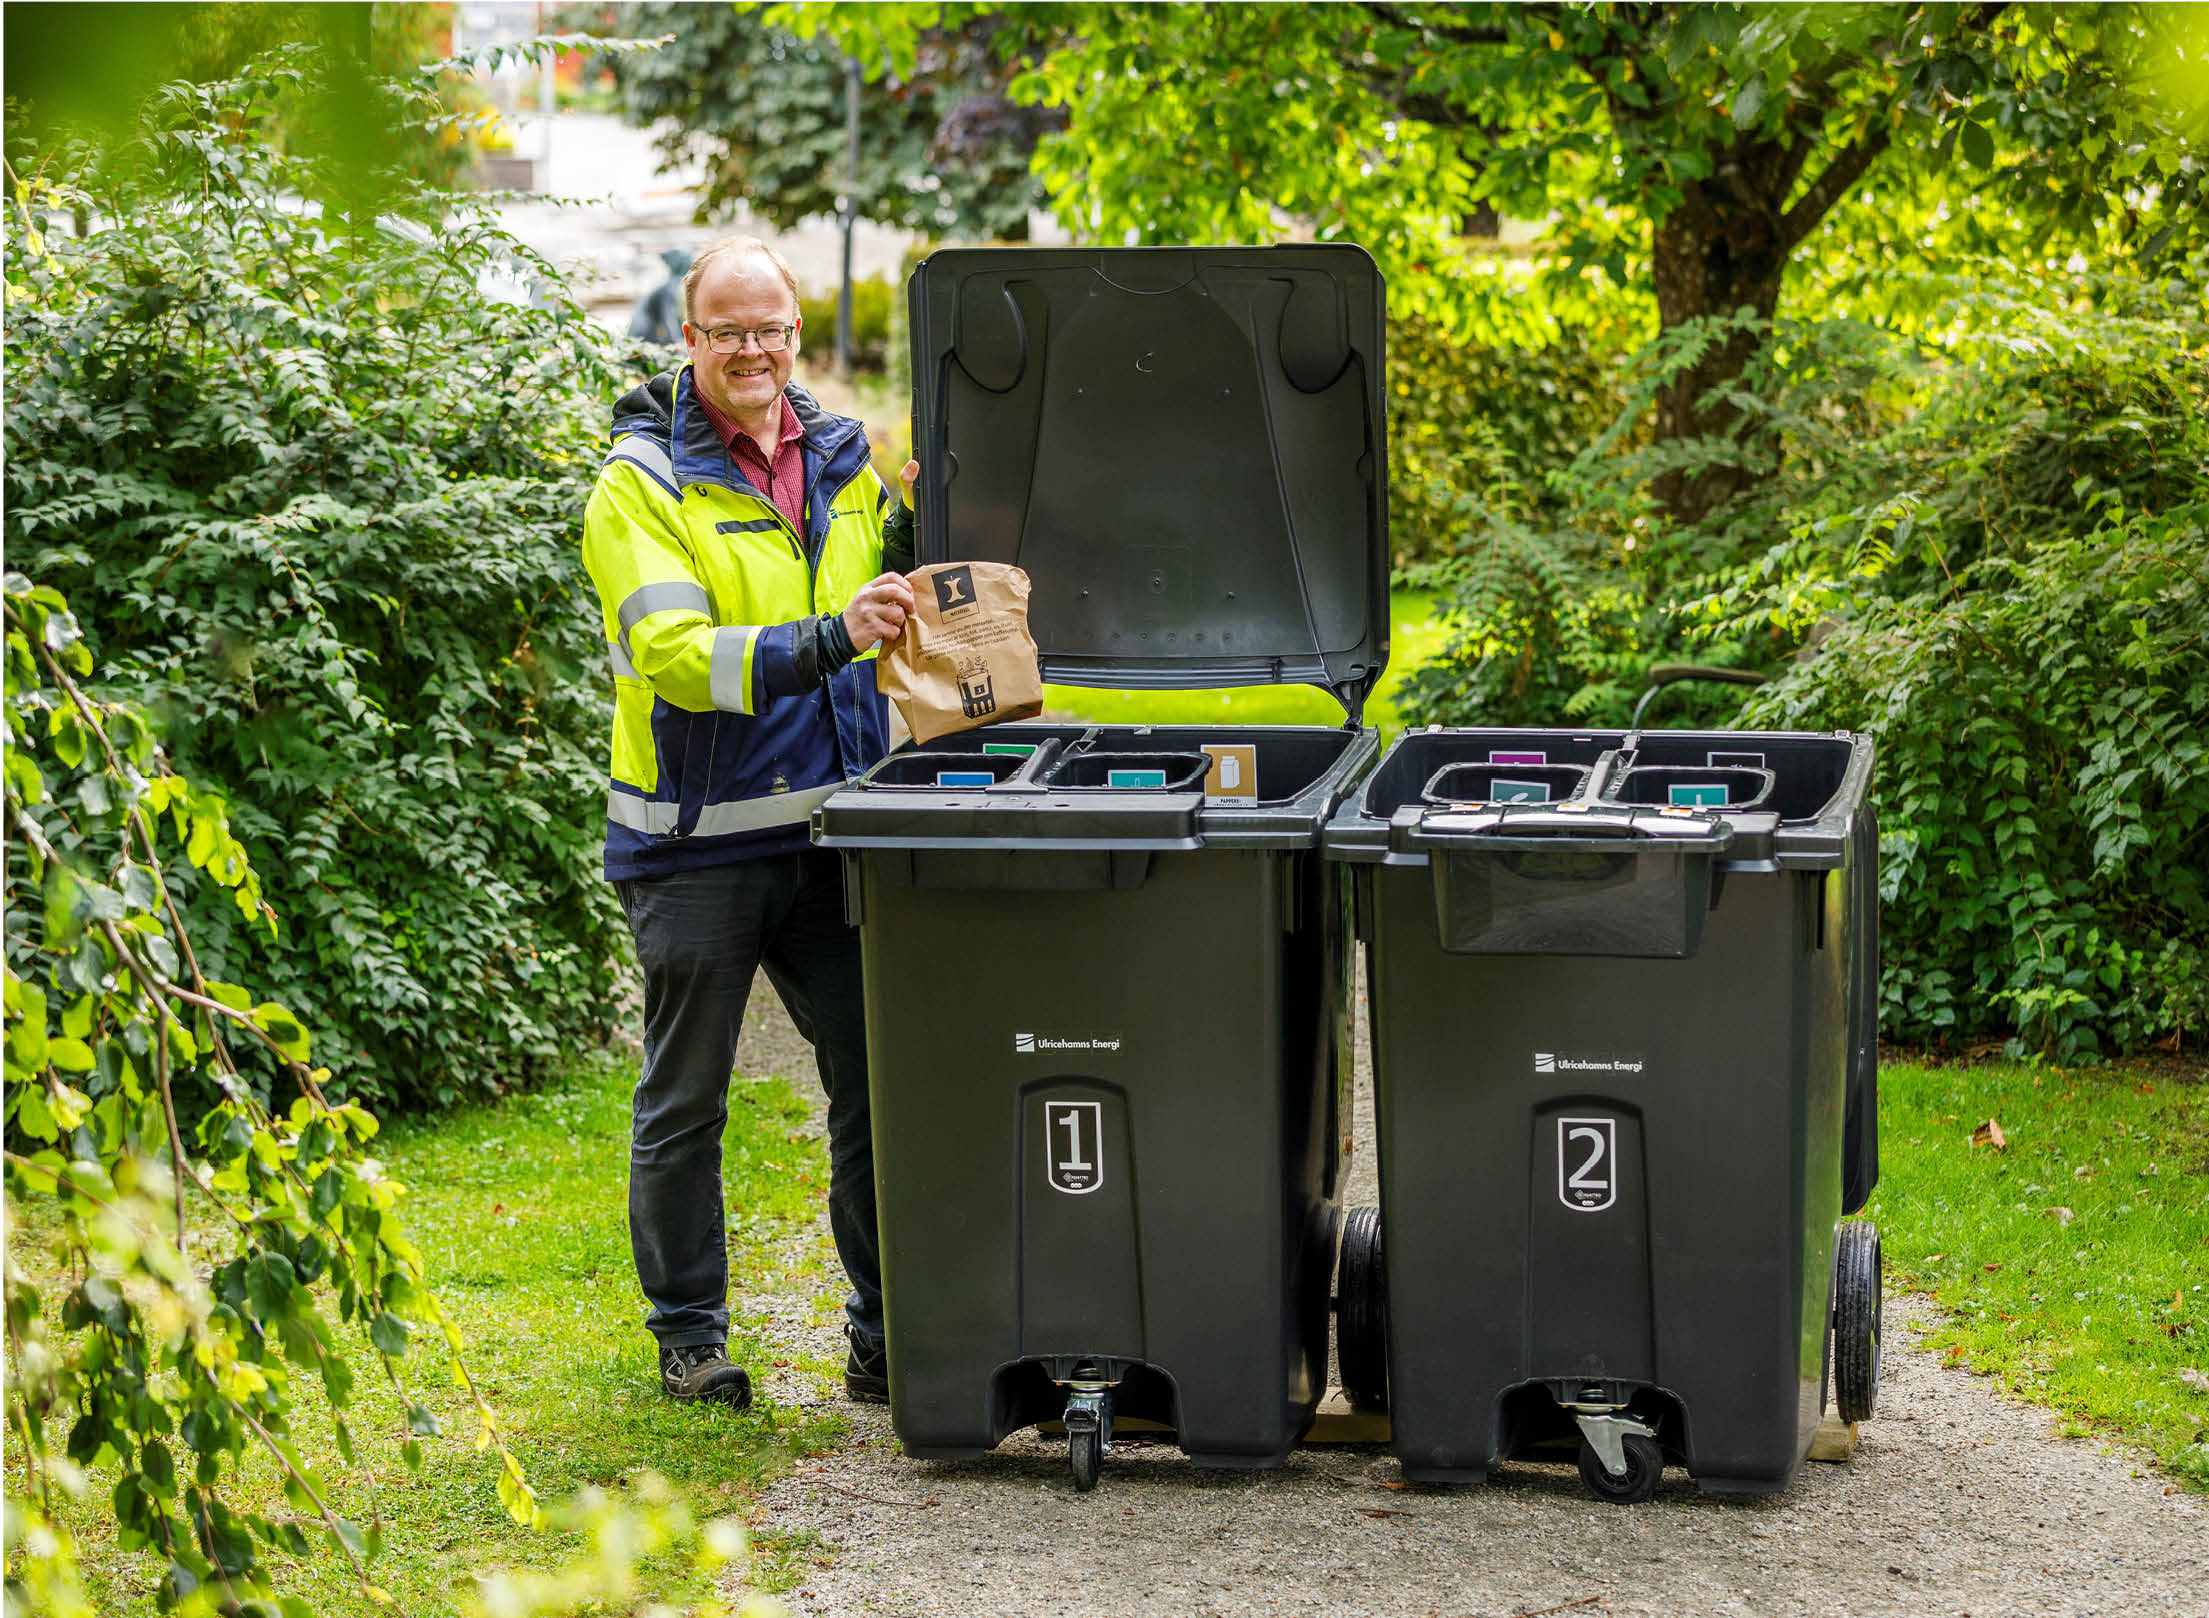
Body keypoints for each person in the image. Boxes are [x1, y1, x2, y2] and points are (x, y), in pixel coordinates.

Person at [581, 234, 918, 1410]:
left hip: (831, 837)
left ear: (795, 332)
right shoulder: (641, 485)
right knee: (687, 1096)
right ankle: (691, 1338)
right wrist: (832, 639)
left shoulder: (841, 458)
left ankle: (885, 1332)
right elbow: (676, 659)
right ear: (689, 340)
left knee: (877, 1077)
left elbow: (888, 591)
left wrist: (927, 525)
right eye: (728, 330)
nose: (754, 350)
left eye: (771, 327)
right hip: (695, 844)